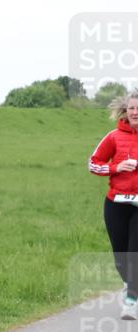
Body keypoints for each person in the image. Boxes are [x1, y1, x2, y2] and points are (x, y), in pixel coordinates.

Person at [89, 89, 138, 320]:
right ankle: (132, 287)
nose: (135, 112)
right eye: (132, 108)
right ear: (126, 111)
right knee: (120, 256)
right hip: (116, 203)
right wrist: (116, 168)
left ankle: (131, 301)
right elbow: (93, 164)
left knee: (133, 252)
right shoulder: (113, 137)